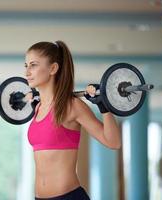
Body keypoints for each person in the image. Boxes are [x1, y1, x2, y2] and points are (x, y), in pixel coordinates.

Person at [25, 41, 122, 200]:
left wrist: (104, 106)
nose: (27, 72)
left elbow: (114, 142)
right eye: (26, 65)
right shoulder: (38, 108)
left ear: (53, 68)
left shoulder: (72, 105)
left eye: (33, 65)